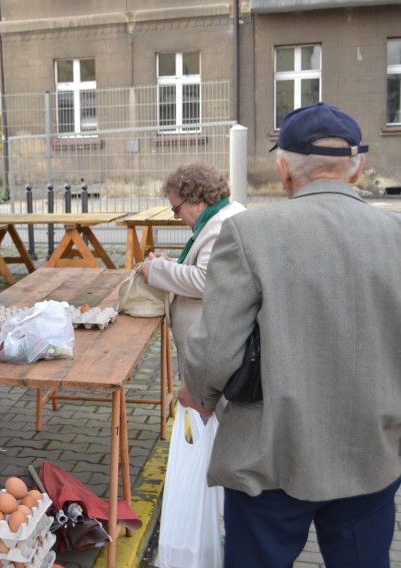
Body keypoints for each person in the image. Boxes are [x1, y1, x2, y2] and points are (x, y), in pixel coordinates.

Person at [181, 102, 401, 567]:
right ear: (357, 169)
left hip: (272, 453)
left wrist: (198, 391)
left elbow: (216, 348)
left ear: (283, 169)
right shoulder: (395, 233)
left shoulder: (250, 232)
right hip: (372, 450)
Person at [138, 162, 245, 418]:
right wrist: (169, 264)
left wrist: (154, 270)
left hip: (211, 346)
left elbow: (204, 280)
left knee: (214, 419)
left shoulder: (220, 226)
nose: (175, 216)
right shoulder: (219, 219)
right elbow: (207, 268)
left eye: (176, 208)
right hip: (211, 342)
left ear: (197, 200)